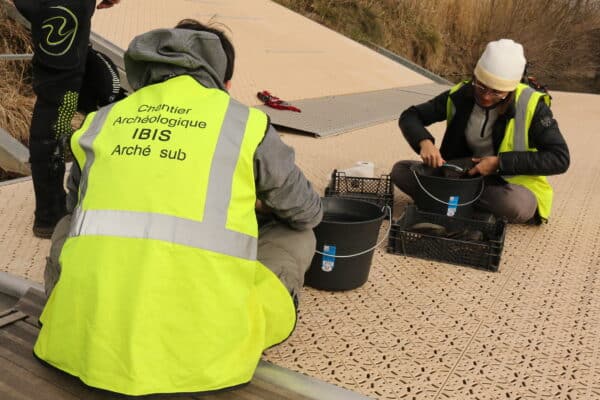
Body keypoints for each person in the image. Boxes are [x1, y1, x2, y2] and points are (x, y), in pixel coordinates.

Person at [33, 19, 323, 396]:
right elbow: (307, 211)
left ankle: (65, 309)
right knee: (298, 233)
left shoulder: (101, 121)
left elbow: (79, 205)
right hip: (203, 358)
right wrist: (259, 202)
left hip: (78, 347)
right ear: (224, 82)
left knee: (72, 220)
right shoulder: (244, 123)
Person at [391, 39, 570, 224]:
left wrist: (499, 163)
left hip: (509, 184)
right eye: (481, 86)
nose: (485, 96)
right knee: (401, 171)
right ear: (475, 77)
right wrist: (424, 142)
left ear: (511, 89)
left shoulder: (533, 106)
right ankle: (462, 202)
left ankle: (448, 200)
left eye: (496, 92)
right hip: (462, 175)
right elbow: (410, 116)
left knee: (514, 205)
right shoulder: (460, 94)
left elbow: (559, 158)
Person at [12, 0, 123, 238]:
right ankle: (49, 214)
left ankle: (54, 207)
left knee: (74, 94)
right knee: (57, 107)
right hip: (61, 9)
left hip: (65, 11)